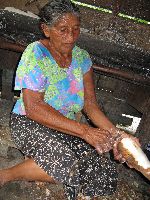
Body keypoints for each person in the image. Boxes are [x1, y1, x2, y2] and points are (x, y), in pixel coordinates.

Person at [0, 0, 138, 199]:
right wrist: (85, 131)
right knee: (66, 163)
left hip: (66, 126)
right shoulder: (36, 54)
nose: (71, 37)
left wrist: (118, 136)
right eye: (63, 29)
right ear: (46, 30)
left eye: (75, 29)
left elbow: (90, 106)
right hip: (30, 121)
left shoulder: (82, 59)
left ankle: (40, 161)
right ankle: (7, 174)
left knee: (104, 174)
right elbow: (33, 107)